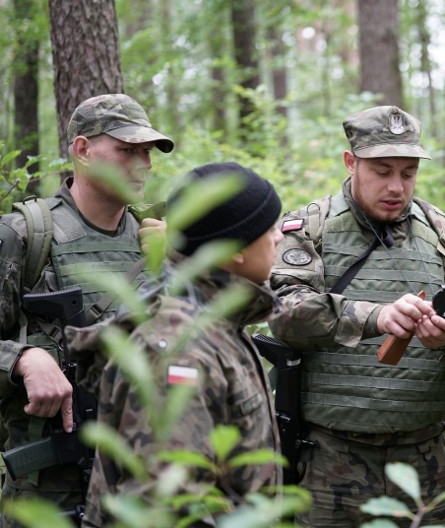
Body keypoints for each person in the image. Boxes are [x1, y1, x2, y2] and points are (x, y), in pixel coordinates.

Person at [268, 105, 445, 527]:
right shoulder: (310, 229)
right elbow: (284, 310)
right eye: (382, 171)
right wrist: (374, 316)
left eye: (408, 172)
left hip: (426, 462)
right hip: (330, 462)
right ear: (351, 162)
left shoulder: (443, 234)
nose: (397, 186)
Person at [69, 162, 285, 526]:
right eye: (270, 228)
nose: (280, 237)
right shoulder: (180, 353)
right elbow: (167, 509)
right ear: (235, 250)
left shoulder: (216, 319)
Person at [0, 94, 173, 524]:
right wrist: (22, 358)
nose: (143, 164)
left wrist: (177, 265)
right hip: (48, 489)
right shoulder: (25, 236)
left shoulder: (158, 239)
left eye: (147, 152)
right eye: (126, 150)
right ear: (82, 150)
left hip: (145, 483)